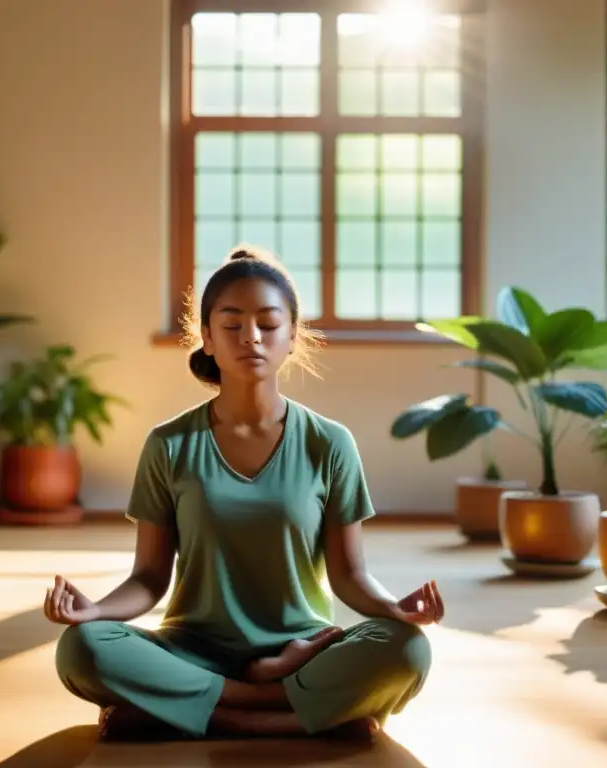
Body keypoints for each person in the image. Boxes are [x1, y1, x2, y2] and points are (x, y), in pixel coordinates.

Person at [45, 245, 443, 742]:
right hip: (194, 651)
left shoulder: (329, 443)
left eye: (268, 324)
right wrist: (95, 611)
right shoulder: (168, 445)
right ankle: (279, 712)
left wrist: (396, 610)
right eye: (231, 325)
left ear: (293, 336)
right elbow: (149, 578)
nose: (250, 337)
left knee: (408, 649)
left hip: (305, 649)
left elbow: (350, 575)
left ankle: (202, 713)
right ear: (207, 338)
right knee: (83, 647)